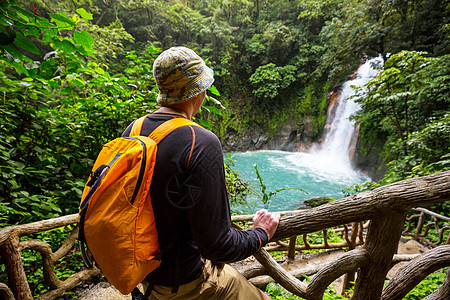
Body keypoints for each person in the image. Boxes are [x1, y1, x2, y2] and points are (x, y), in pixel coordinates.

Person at [122, 46, 280, 300]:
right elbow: (218, 246)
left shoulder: (134, 129)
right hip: (185, 282)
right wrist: (261, 233)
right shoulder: (200, 141)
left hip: (144, 274)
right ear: (199, 90)